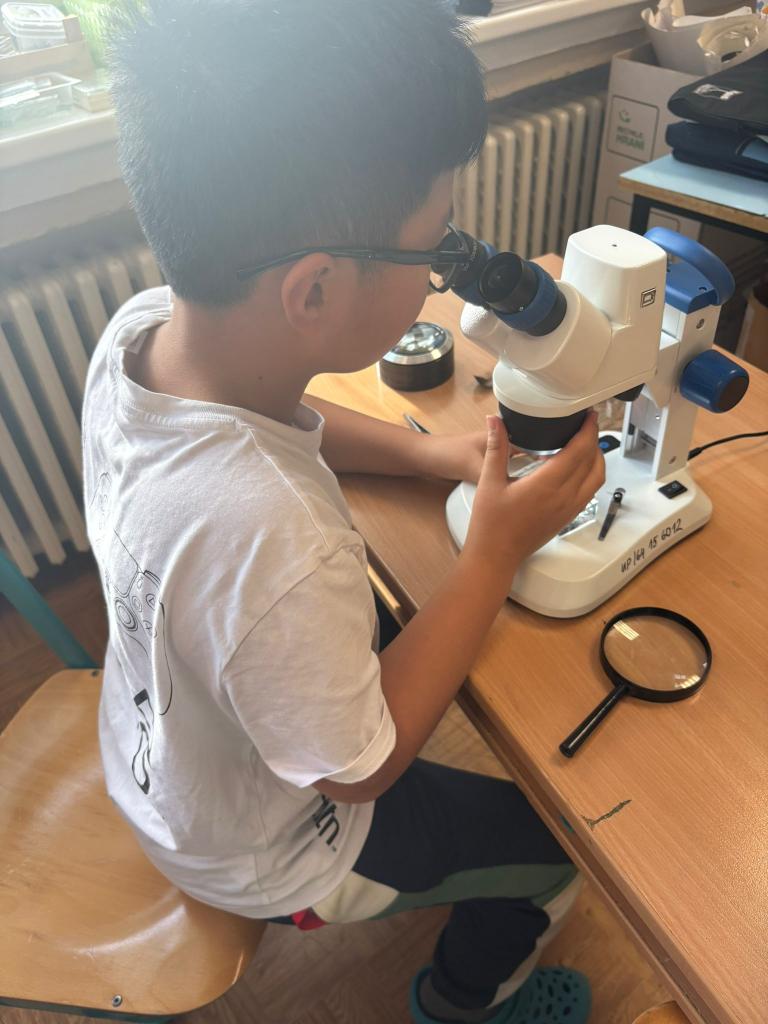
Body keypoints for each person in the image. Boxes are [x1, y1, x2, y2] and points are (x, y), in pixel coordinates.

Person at [82, 2, 605, 1021]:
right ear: (315, 292)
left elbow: (287, 421)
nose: (441, 275)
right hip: (279, 845)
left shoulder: (143, 334)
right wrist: (493, 555)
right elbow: (361, 770)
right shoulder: (273, 534)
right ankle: (465, 999)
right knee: (557, 851)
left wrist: (431, 453)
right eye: (432, 250)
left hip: (165, 762)